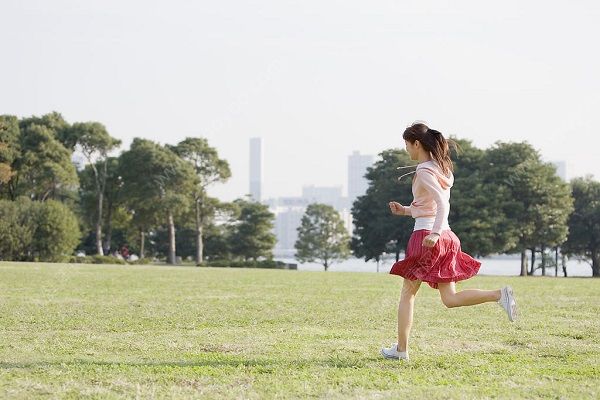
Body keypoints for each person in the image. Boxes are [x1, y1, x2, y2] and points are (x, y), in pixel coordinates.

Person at [381, 122, 518, 362]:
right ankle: (500, 295)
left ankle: (401, 350)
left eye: (407, 145)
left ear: (417, 143)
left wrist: (433, 233)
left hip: (428, 237)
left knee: (407, 295)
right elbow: (430, 205)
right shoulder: (442, 169)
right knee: (450, 299)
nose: (406, 150)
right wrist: (404, 210)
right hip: (448, 237)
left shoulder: (424, 170)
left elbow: (441, 205)